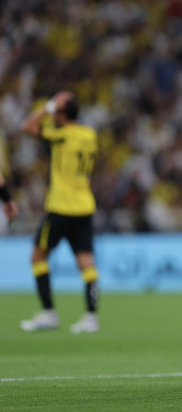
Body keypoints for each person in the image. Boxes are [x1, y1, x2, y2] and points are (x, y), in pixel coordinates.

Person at [20, 91, 100, 333]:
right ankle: (91, 317)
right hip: (84, 206)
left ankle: (48, 313)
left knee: (37, 257)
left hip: (60, 207)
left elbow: (27, 126)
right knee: (86, 263)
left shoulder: (61, 136)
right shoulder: (89, 135)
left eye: (57, 113)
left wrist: (49, 106)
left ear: (62, 115)